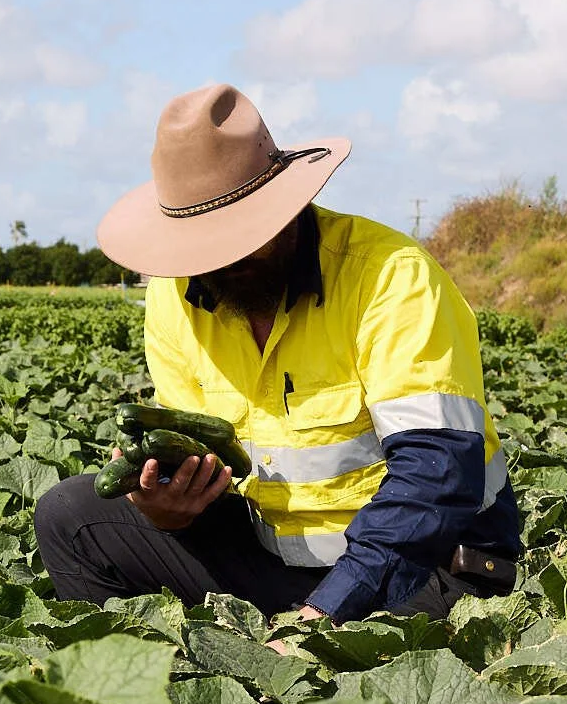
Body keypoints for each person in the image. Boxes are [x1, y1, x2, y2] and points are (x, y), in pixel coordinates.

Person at [34, 82, 523, 627]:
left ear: (287, 206)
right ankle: (160, 690)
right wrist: (170, 506)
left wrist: (322, 615)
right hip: (277, 563)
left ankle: (287, 666)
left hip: (425, 571)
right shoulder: (175, 298)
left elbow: (435, 476)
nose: (223, 261)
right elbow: (206, 461)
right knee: (70, 517)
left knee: (335, 686)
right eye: (203, 246)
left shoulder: (390, 277)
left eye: (241, 237)